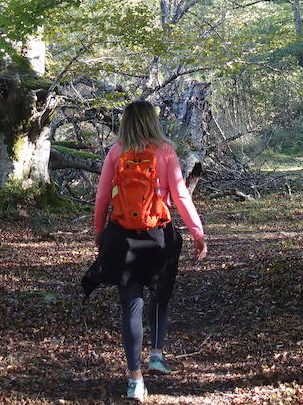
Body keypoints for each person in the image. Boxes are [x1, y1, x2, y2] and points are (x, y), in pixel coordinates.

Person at [83, 100, 208, 401]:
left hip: (123, 237)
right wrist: (197, 232)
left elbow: (102, 197)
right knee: (160, 292)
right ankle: (157, 354)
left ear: (125, 122)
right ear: (153, 121)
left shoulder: (116, 152)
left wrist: (100, 233)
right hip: (159, 237)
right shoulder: (165, 151)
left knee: (131, 305)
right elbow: (179, 194)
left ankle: (135, 380)